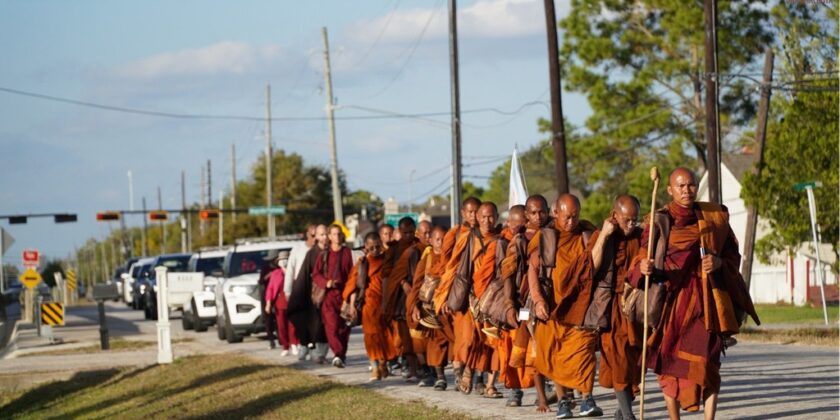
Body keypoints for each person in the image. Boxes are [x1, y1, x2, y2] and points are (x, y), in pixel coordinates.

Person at [630, 168, 759, 419]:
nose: (687, 191)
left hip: (706, 302)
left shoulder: (713, 217)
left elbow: (732, 254)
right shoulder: (658, 220)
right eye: (680, 186)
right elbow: (640, 257)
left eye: (690, 185)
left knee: (708, 363)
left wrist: (718, 263)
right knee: (667, 365)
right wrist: (642, 268)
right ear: (669, 190)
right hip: (671, 302)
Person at [528, 194, 603, 418]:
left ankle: (587, 398)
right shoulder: (546, 237)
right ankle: (562, 401)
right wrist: (539, 300)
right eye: (566, 217)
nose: (571, 222)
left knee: (584, 352)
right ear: (555, 213)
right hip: (554, 308)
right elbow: (532, 270)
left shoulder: (586, 235)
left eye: (575, 216)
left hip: (581, 307)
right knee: (556, 355)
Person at [587, 195, 644, 420]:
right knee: (618, 359)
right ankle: (629, 416)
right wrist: (604, 235)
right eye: (626, 220)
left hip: (636, 307)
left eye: (634, 220)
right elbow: (592, 265)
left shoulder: (640, 237)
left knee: (634, 362)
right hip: (612, 309)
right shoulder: (603, 236)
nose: (631, 225)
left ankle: (621, 413)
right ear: (615, 215)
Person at [433, 196, 480, 391]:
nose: (473, 215)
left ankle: (469, 370)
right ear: (463, 213)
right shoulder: (455, 234)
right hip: (459, 293)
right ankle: (462, 368)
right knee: (465, 337)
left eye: (476, 211)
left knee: (477, 337)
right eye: (469, 212)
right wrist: (445, 296)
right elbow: (448, 266)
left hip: (478, 290)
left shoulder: (485, 233)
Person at [495, 204, 535, 408]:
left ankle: (541, 388)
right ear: (508, 223)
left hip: (530, 300)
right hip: (511, 300)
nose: (518, 227)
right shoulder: (504, 243)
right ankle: (514, 390)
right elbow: (506, 275)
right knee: (509, 347)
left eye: (522, 223)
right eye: (514, 223)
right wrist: (508, 303)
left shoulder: (534, 239)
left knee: (532, 345)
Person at [343, 232, 395, 380]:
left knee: (387, 336)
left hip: (386, 303)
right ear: (365, 247)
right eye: (371, 248)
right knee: (371, 337)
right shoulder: (363, 263)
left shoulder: (387, 260)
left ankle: (384, 363)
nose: (375, 250)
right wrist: (352, 305)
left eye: (378, 247)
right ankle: (374, 367)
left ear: (381, 244)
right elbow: (353, 285)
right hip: (369, 305)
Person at [381, 217, 426, 381]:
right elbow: (387, 272)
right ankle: (412, 368)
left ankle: (425, 368)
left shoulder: (421, 246)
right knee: (406, 337)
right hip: (400, 298)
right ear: (399, 232)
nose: (408, 235)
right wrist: (402, 282)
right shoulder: (393, 250)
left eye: (410, 232)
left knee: (421, 334)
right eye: (404, 232)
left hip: (420, 294)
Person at [408, 225, 451, 390]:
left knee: (455, 342)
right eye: (437, 239)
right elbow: (417, 284)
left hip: (449, 308)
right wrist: (414, 306)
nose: (441, 243)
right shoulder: (426, 259)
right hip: (431, 308)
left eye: (444, 239)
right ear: (431, 241)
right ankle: (440, 377)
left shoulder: (453, 257)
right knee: (435, 343)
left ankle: (460, 371)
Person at [313, 224, 354, 368]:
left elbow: (352, 274)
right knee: (332, 326)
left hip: (344, 295)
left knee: (344, 328)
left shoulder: (347, 253)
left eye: (339, 234)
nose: (337, 237)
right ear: (329, 237)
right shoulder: (324, 254)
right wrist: (326, 283)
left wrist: (351, 296)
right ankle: (337, 353)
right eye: (334, 234)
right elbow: (316, 274)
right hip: (329, 296)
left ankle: (341, 355)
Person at [287, 224, 330, 363]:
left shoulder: (333, 251)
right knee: (314, 322)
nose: (324, 237)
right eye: (320, 234)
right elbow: (296, 272)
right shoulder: (309, 253)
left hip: (330, 293)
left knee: (329, 323)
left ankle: (323, 353)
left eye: (326, 234)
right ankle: (309, 348)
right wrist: (289, 290)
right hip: (313, 294)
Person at [265, 250, 299, 357]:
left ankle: (294, 343)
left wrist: (288, 271)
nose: (284, 262)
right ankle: (285, 346)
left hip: (292, 301)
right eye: (282, 260)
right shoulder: (275, 274)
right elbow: (270, 289)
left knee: (293, 324)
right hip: (280, 302)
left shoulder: (294, 272)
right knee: (281, 325)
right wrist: (268, 303)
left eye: (286, 260)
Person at [258, 253, 279, 349]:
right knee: (268, 318)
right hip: (267, 294)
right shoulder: (265, 268)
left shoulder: (280, 267)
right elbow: (261, 281)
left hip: (278, 294)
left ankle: (281, 338)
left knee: (280, 317)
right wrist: (268, 276)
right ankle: (271, 340)